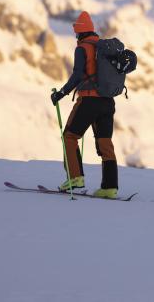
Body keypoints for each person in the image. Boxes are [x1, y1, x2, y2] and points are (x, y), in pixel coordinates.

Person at [49, 11, 118, 199]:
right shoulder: (104, 48)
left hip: (89, 101)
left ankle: (75, 178)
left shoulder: (83, 48)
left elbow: (78, 74)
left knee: (69, 137)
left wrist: (61, 93)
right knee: (105, 144)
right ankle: (110, 188)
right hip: (108, 102)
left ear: (80, 32)